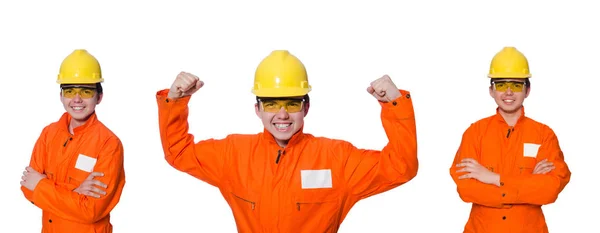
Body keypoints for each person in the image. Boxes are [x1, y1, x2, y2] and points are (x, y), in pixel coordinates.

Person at [155, 50, 418, 232]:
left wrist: (394, 105)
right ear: (257, 109)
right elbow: (178, 153)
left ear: (306, 107)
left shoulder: (337, 159)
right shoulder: (233, 154)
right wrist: (176, 101)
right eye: (271, 104)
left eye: (292, 103)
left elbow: (400, 167)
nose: (282, 114)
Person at [449, 46, 571, 233]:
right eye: (500, 84)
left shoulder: (544, 135)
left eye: (515, 85)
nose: (508, 92)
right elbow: (466, 190)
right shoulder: (475, 133)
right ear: (491, 90)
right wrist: (529, 184)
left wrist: (492, 178)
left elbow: (550, 190)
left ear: (527, 90)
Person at [20, 49, 126, 233]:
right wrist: (76, 191)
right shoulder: (48, 134)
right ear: (61, 96)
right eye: (69, 91)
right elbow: (27, 188)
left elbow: (91, 210)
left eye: (85, 91)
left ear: (99, 97)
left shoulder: (109, 144)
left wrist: (42, 185)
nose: (77, 99)